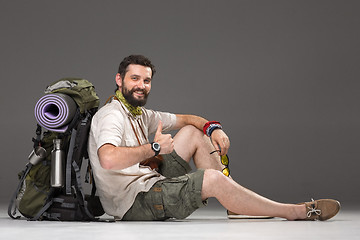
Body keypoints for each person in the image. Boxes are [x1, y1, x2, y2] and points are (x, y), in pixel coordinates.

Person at [88, 54, 340, 221]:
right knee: (212, 179)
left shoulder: (140, 113)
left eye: (146, 80)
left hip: (148, 181)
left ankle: (236, 206)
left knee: (193, 133)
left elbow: (188, 120)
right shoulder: (112, 115)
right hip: (131, 203)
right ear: (119, 80)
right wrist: (154, 147)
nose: (141, 85)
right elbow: (108, 159)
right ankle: (294, 212)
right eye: (135, 79)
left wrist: (213, 128)